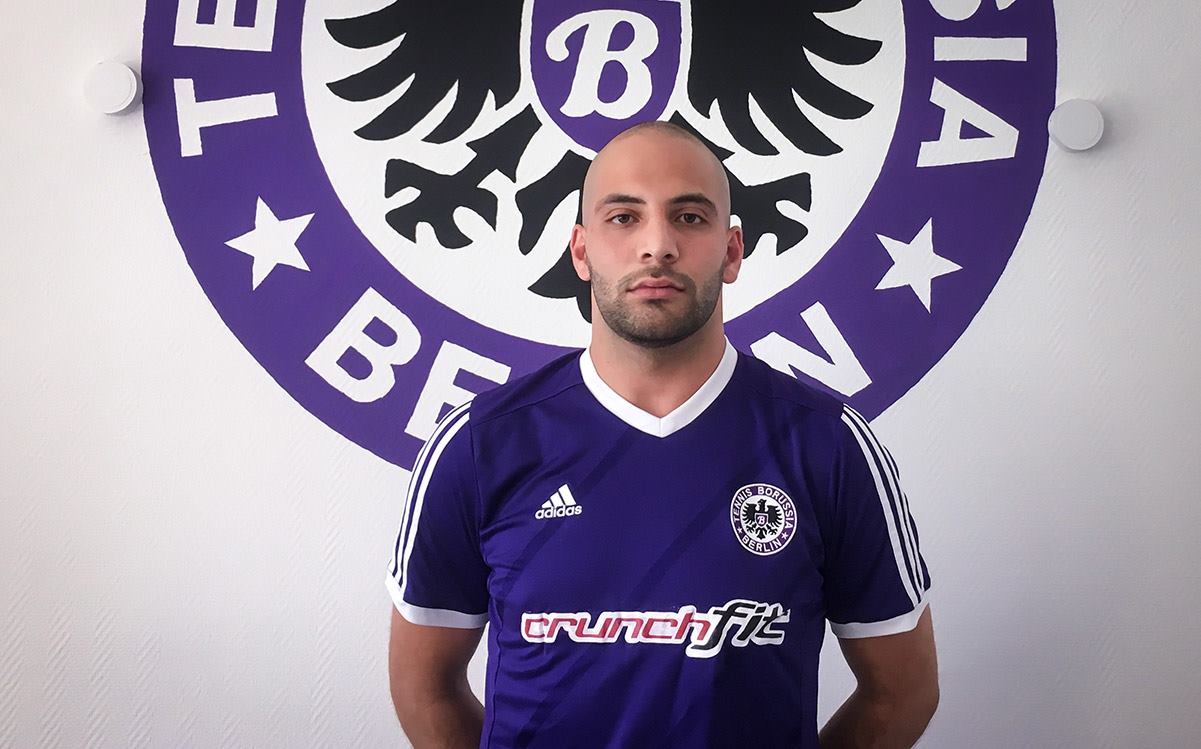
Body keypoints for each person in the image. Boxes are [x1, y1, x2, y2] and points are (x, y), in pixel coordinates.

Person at [385, 121, 939, 748]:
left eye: (690, 217)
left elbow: (903, 691)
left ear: (732, 251)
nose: (658, 246)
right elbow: (423, 686)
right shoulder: (478, 445)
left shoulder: (828, 445)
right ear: (581, 251)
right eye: (623, 217)